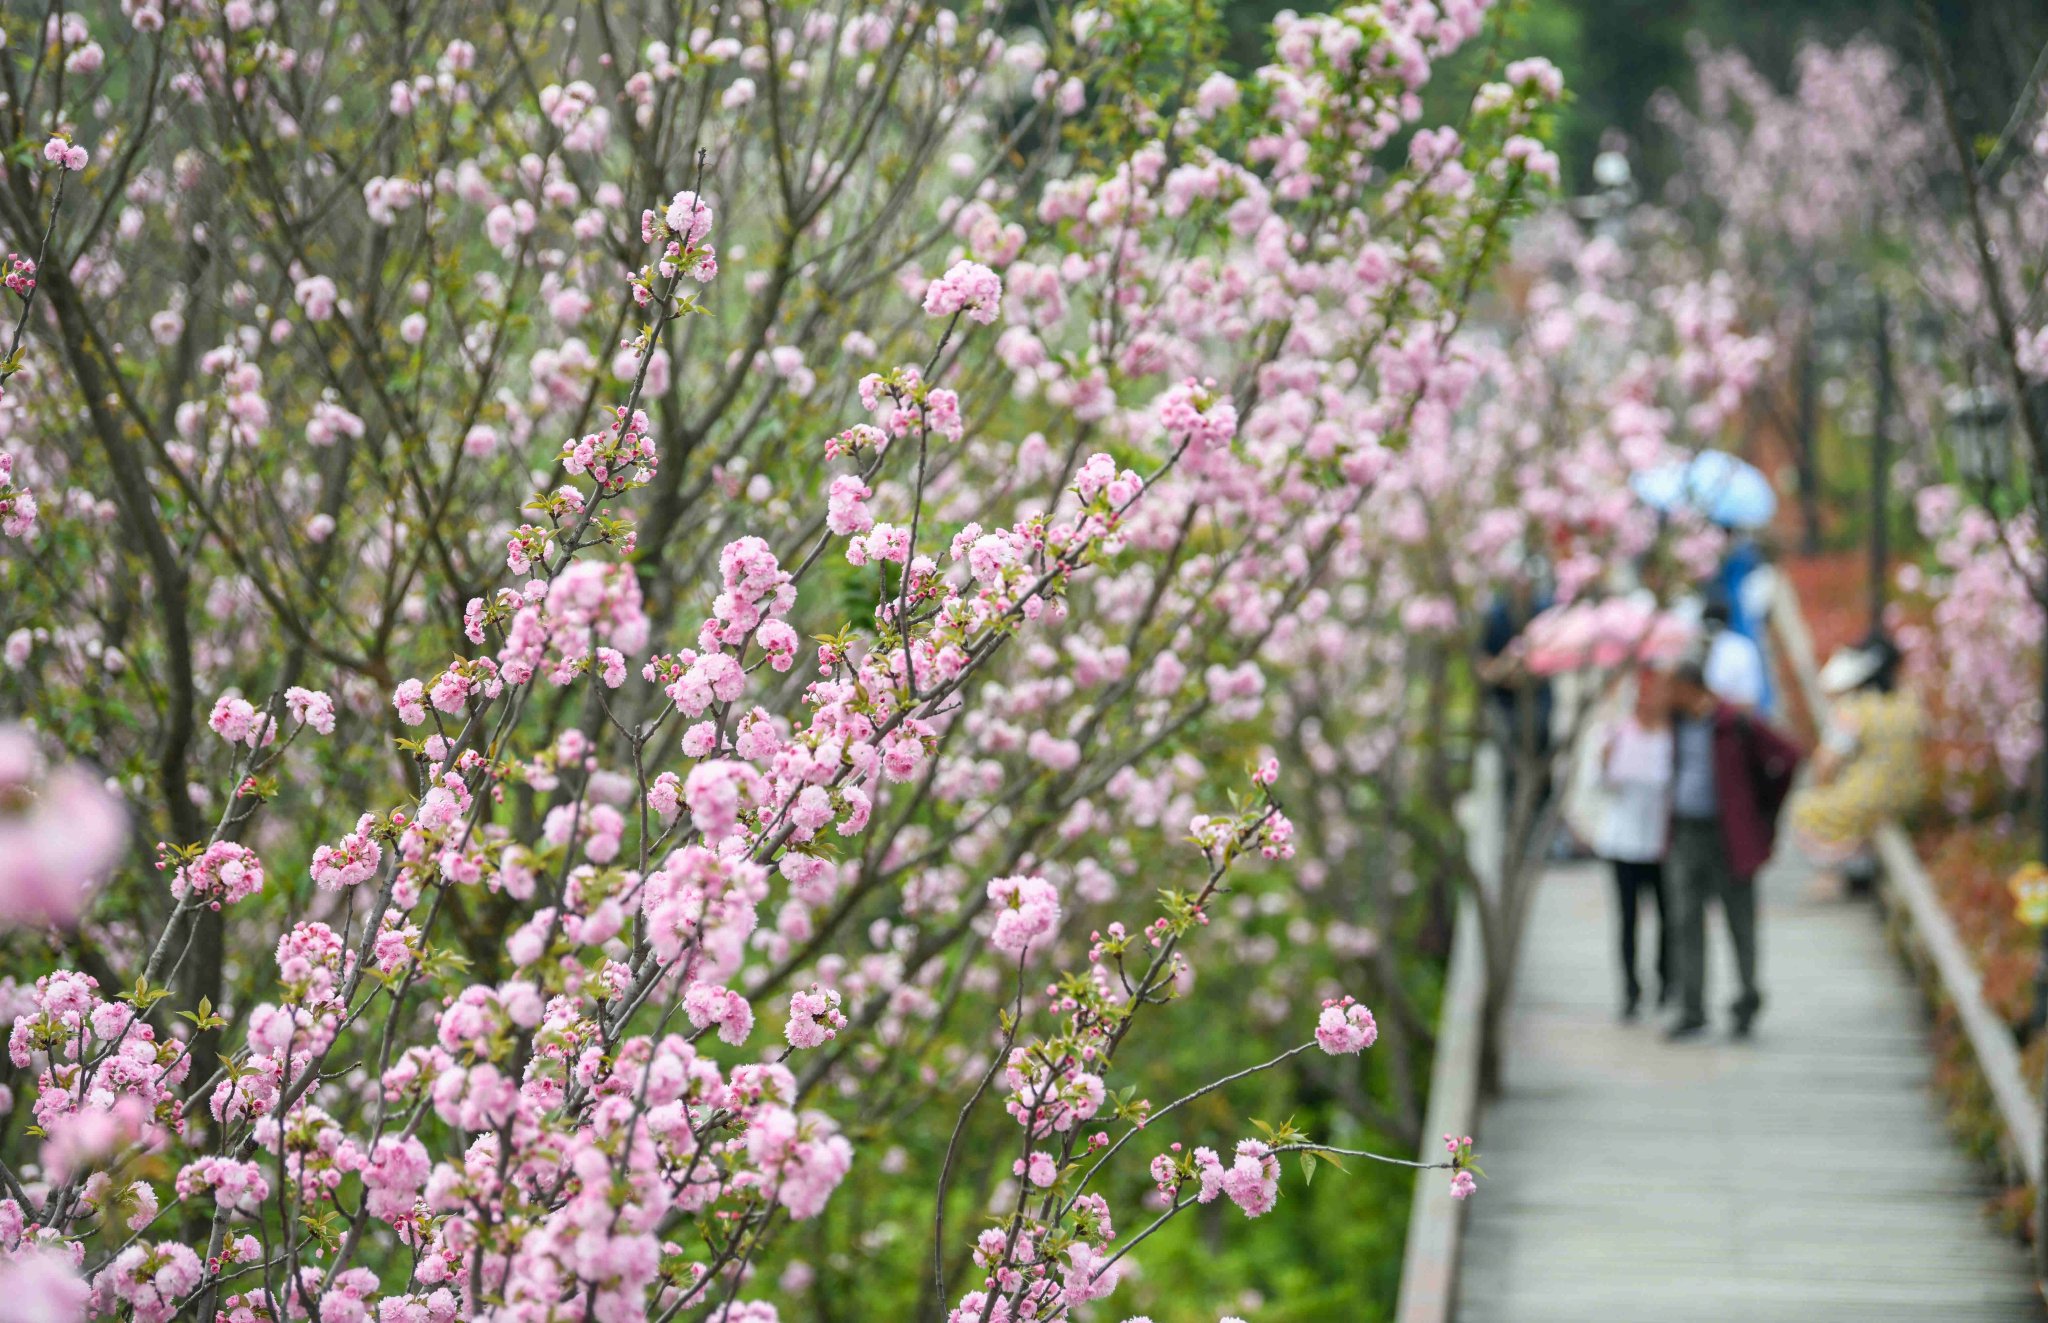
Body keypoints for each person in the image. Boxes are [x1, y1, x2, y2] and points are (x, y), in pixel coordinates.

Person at [1663, 659, 1805, 1040]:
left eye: (1672, 688)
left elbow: (1788, 756)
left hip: (1730, 837)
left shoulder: (1734, 722)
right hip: (1686, 833)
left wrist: (1763, 813)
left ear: (1690, 687)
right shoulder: (1674, 723)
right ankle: (1692, 1008)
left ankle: (1746, 999)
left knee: (1739, 922)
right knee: (1685, 921)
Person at [1791, 634, 1924, 888]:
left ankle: (1838, 876)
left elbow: (1826, 762)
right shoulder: (1909, 703)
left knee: (1805, 809)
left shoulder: (1853, 710)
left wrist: (1824, 788)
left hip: (1868, 797)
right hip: (1908, 793)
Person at [1594, 666, 1674, 1019]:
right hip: (1624, 841)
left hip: (1661, 841)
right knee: (1628, 919)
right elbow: (1599, 786)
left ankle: (1666, 980)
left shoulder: (1673, 736)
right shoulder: (1616, 733)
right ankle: (1629, 987)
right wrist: (1605, 759)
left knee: (1668, 916)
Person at [1700, 597, 1770, 716]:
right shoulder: (1743, 644)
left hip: (1730, 713)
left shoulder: (1724, 646)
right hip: (1745, 710)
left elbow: (1716, 688)